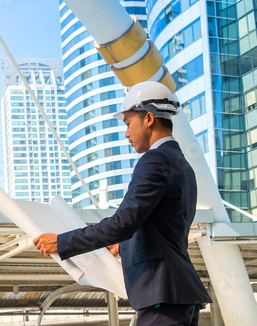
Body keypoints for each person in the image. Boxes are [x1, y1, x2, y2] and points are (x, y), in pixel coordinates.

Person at [34, 81, 211, 325]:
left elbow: (122, 223)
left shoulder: (155, 160)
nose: (126, 133)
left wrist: (62, 242)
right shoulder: (182, 164)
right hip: (177, 294)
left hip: (163, 296)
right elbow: (163, 227)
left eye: (128, 123)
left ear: (148, 118)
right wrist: (125, 244)